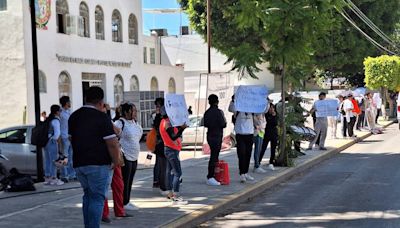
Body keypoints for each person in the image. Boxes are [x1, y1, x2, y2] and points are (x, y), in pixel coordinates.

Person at [69, 86, 123, 228]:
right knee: (97, 198)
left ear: (85, 98)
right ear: (101, 102)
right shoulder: (102, 117)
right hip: (98, 164)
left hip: (79, 163)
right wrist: (116, 161)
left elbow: (71, 139)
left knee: (87, 195)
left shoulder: (74, 116)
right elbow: (112, 143)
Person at [102, 103, 130, 224]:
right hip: (104, 157)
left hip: (114, 156)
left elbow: (118, 132)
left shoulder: (108, 121)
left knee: (119, 184)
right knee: (104, 187)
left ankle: (119, 211)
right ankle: (104, 213)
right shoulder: (98, 121)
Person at [114, 103, 143, 211]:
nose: (135, 113)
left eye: (135, 110)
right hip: (125, 155)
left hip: (134, 155)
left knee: (130, 180)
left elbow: (137, 136)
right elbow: (113, 137)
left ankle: (127, 201)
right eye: (133, 110)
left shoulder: (135, 123)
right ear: (126, 112)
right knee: (124, 181)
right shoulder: (120, 122)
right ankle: (123, 202)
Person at [159, 106, 188, 204]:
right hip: (172, 150)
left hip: (169, 149)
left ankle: (170, 193)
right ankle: (176, 196)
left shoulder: (165, 122)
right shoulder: (167, 123)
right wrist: (182, 129)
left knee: (170, 172)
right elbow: (173, 137)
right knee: (177, 173)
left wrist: (181, 128)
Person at [229, 96, 255, 183]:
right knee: (241, 154)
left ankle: (246, 172)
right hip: (240, 135)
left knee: (248, 154)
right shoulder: (238, 109)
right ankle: (242, 173)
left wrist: (265, 101)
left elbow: (263, 110)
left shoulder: (252, 110)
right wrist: (233, 100)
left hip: (250, 135)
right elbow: (231, 108)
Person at [203, 94, 227, 186]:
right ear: (217, 101)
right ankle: (210, 176)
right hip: (217, 135)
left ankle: (213, 175)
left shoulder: (207, 112)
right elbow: (223, 124)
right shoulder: (219, 112)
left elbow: (205, 123)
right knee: (214, 156)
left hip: (210, 135)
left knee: (214, 156)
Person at [152, 98, 169, 196]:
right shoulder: (159, 117)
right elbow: (156, 128)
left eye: (158, 106)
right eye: (157, 106)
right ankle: (161, 184)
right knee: (162, 165)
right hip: (161, 144)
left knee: (162, 164)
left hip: (162, 143)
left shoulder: (164, 117)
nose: (157, 108)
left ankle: (160, 182)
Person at [44, 105, 64, 186]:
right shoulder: (56, 120)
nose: (61, 112)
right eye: (60, 111)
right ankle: (54, 178)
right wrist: (55, 140)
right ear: (57, 112)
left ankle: (47, 178)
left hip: (46, 141)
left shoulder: (49, 119)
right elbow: (57, 134)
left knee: (48, 160)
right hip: (52, 141)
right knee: (54, 160)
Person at [59, 96, 76, 183]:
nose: (70, 103)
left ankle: (72, 174)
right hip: (64, 137)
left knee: (71, 156)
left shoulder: (69, 112)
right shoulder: (61, 113)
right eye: (69, 102)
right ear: (66, 103)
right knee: (65, 156)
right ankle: (64, 175)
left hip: (70, 136)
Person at [259, 104, 278, 171]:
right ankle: (258, 162)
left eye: (272, 108)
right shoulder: (266, 115)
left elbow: (276, 123)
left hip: (274, 134)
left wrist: (274, 116)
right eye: (270, 108)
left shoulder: (275, 115)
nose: (271, 109)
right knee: (263, 149)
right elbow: (268, 123)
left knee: (273, 149)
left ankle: (271, 163)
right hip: (266, 134)